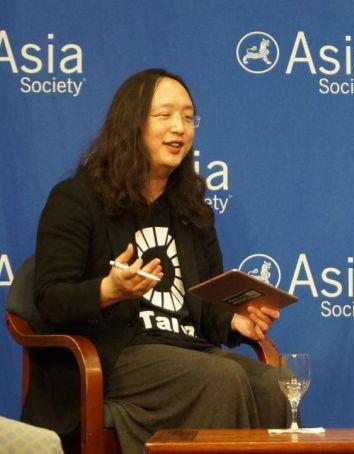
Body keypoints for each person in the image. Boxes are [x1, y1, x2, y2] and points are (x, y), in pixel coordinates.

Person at [26, 69, 289, 453]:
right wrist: (107, 290)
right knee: (221, 378)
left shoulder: (191, 210)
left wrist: (236, 321)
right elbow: (49, 298)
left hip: (185, 350)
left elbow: (203, 302)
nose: (178, 128)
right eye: (164, 115)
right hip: (116, 355)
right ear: (131, 123)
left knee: (272, 385)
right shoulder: (76, 199)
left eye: (187, 116)